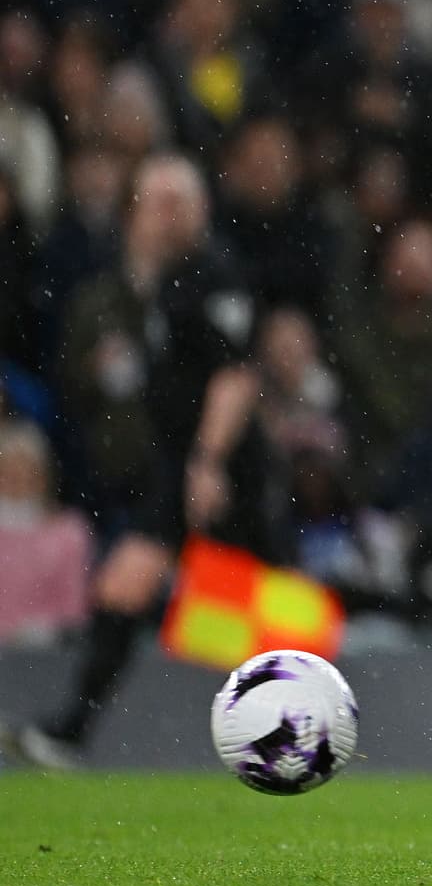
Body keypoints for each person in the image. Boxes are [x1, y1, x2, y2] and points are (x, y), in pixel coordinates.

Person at [1, 154, 259, 768]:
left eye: (181, 202)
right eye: (158, 201)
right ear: (134, 212)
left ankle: (73, 730)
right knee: (127, 586)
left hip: (227, 465)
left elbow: (235, 376)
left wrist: (209, 460)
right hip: (170, 467)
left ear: (202, 209)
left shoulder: (215, 273)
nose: (170, 215)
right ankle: (72, 730)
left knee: (273, 590)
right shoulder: (139, 284)